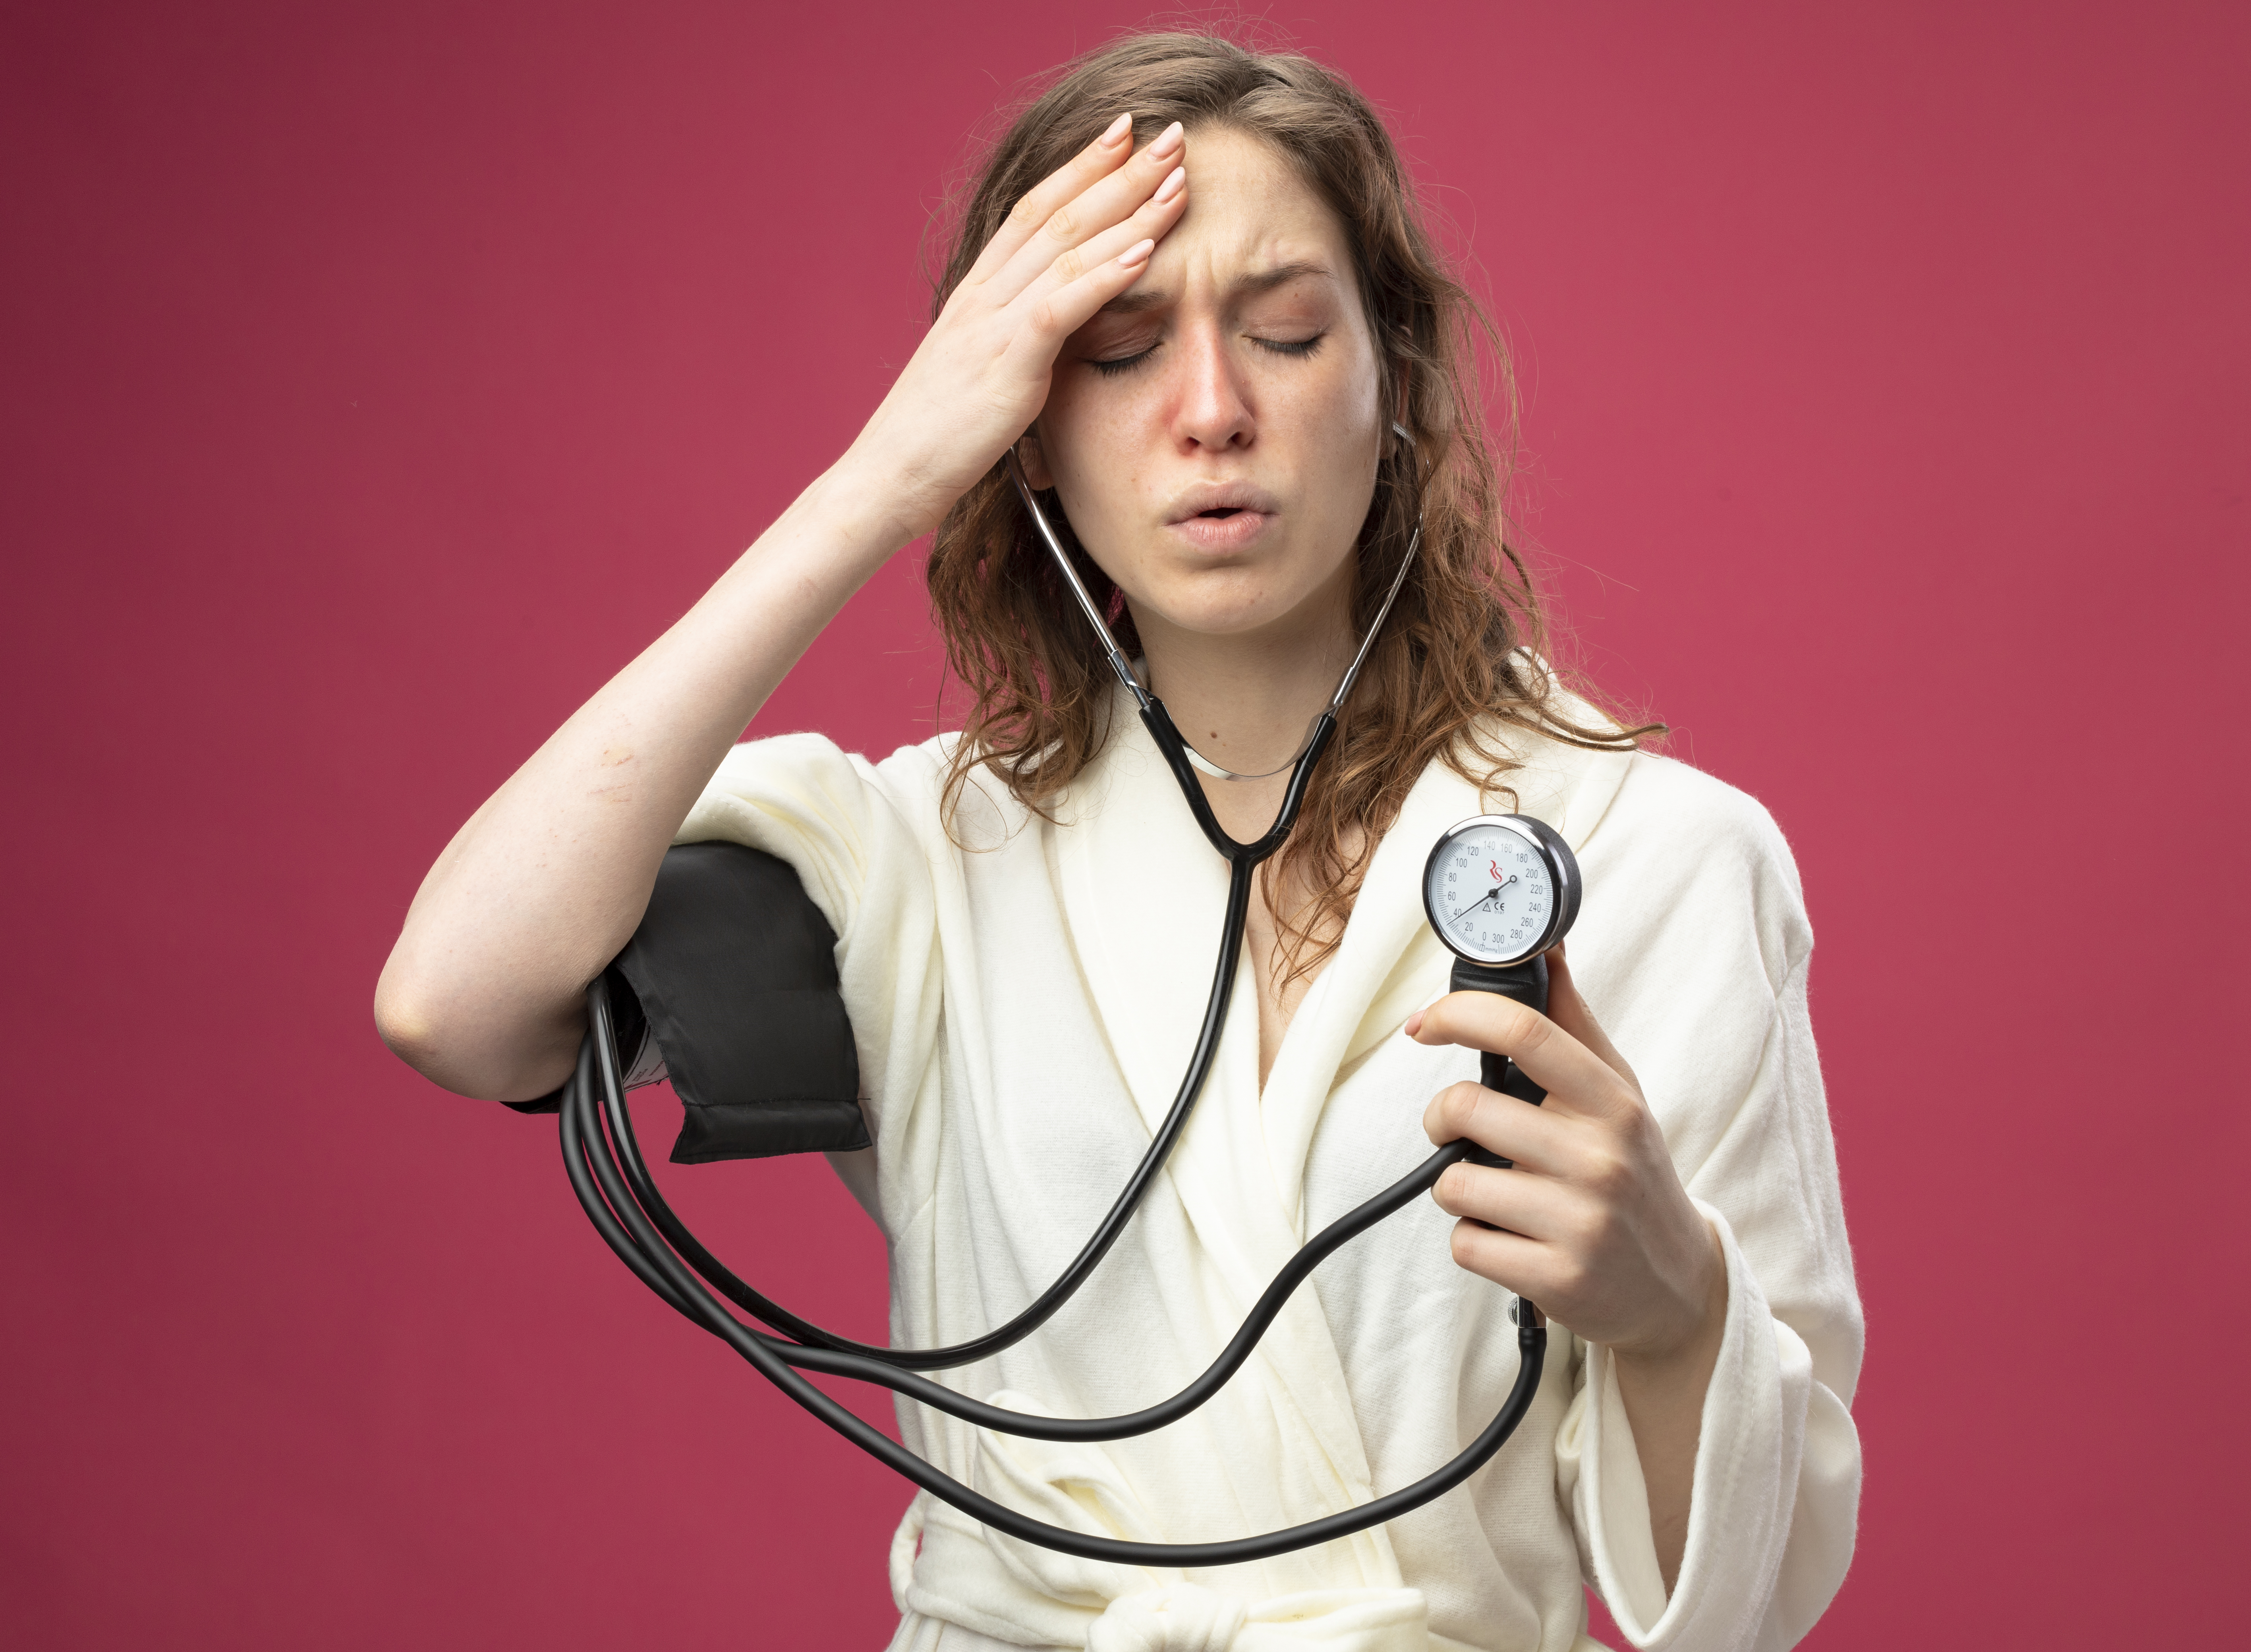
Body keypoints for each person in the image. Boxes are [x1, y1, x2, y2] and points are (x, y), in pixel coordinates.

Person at [375, 31, 1861, 1652]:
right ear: (1021, 425)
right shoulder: (913, 857)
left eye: (1286, 332)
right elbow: (457, 1003)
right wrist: (881, 476)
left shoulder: (1654, 855)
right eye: (1117, 349)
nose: (1212, 410)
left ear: (1400, 376)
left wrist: (1673, 1309)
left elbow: (1751, 1604)